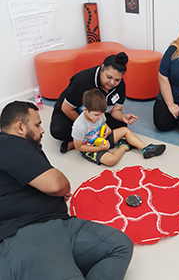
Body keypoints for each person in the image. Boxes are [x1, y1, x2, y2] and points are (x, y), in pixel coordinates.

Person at [0, 101, 133, 279]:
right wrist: (60, 189)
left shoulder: (20, 150)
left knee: (119, 245)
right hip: (29, 230)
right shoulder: (8, 143)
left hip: (61, 224)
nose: (42, 130)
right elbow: (56, 184)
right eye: (37, 124)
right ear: (19, 127)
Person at [50, 52, 138, 154]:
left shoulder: (120, 85)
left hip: (97, 116)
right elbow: (66, 108)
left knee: (121, 124)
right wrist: (90, 126)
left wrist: (122, 116)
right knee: (58, 130)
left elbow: (116, 110)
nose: (112, 83)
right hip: (70, 112)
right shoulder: (82, 80)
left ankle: (76, 143)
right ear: (102, 68)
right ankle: (87, 138)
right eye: (109, 77)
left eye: (117, 80)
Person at [72, 89, 166, 166]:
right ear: (85, 110)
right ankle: (124, 146)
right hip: (91, 147)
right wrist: (99, 149)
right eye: (96, 115)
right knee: (111, 161)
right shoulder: (80, 126)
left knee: (124, 130)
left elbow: (103, 123)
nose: (99, 117)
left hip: (103, 138)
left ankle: (145, 148)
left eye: (102, 114)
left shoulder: (99, 115)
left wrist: (107, 129)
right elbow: (79, 146)